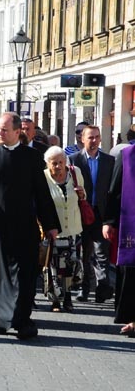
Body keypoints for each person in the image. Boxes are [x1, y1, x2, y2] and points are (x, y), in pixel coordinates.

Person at [0, 112, 61, 340]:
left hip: (24, 226)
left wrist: (50, 224)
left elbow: (42, 193)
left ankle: (21, 320)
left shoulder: (32, 157)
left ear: (18, 132)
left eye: (4, 129)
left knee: (24, 275)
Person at [69, 125, 115, 303]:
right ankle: (84, 288)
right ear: (82, 139)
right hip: (80, 212)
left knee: (101, 252)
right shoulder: (73, 160)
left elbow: (113, 190)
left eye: (97, 137)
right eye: (90, 137)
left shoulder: (109, 161)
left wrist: (111, 218)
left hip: (101, 213)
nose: (94, 140)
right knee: (84, 254)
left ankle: (102, 288)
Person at [42, 146, 85, 312]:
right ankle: (55, 300)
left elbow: (83, 195)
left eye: (61, 162)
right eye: (54, 163)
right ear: (47, 164)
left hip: (73, 228)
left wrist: (81, 194)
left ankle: (68, 297)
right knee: (53, 267)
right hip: (53, 229)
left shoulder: (75, 173)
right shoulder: (43, 177)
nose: (59, 166)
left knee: (70, 266)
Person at [103, 144, 135, 336]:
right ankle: (133, 320)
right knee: (132, 275)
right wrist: (109, 221)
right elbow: (114, 192)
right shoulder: (126, 156)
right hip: (132, 224)